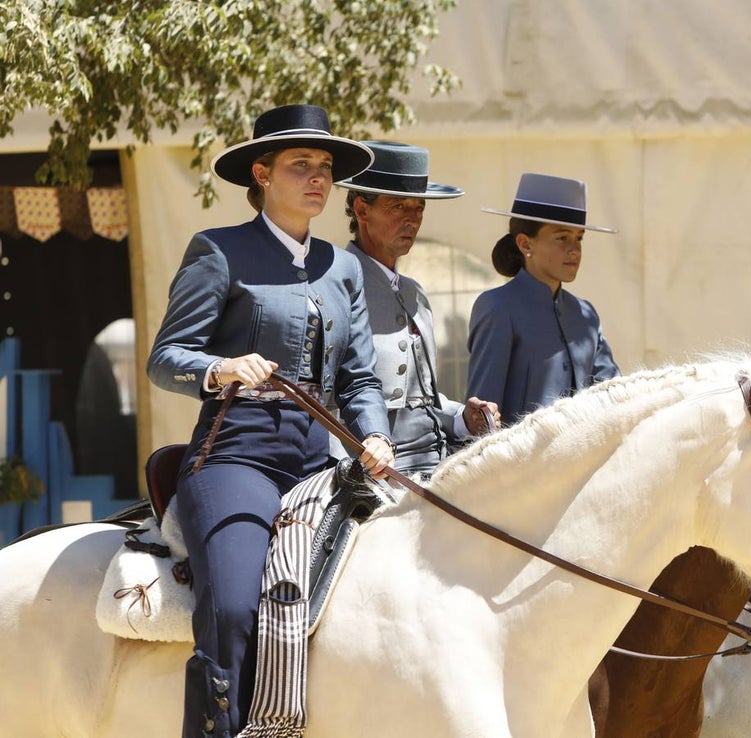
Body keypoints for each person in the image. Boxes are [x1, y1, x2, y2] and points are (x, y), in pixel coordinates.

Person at [146, 104, 395, 738]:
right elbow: (165, 359)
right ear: (262, 174)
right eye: (300, 164)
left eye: (326, 167)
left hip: (322, 463)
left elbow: (360, 379)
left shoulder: (344, 267)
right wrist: (221, 367)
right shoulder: (218, 250)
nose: (318, 177)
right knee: (233, 607)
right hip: (235, 456)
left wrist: (374, 434)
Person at [338, 140, 500, 476]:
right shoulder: (336, 284)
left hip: (437, 461)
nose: (412, 219)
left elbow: (423, 400)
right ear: (362, 210)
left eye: (419, 208)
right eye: (398, 206)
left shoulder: (415, 293)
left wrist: (462, 418)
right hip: (373, 468)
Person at [467, 173, 620, 423]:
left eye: (579, 238)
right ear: (525, 244)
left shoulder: (585, 314)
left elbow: (613, 394)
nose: (574, 249)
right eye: (562, 238)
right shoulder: (498, 307)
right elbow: (482, 415)